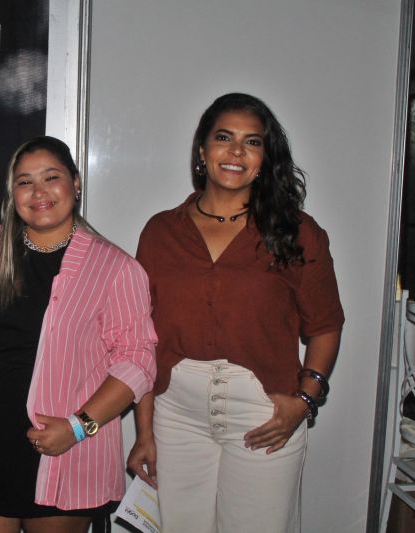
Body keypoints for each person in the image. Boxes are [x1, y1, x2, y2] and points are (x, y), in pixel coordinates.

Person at [127, 93, 344, 533]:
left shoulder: (297, 232)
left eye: (253, 142)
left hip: (263, 412)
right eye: (224, 137)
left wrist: (304, 400)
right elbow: (142, 338)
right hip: (176, 413)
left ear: (265, 158)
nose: (237, 152)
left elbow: (325, 326)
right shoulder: (161, 231)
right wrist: (143, 431)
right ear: (202, 150)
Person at [0, 136, 157, 533]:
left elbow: (137, 362)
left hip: (63, 453)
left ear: (75, 182)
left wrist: (78, 427)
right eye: (25, 182)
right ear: (12, 192)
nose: (38, 192)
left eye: (51, 177)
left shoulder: (115, 268)